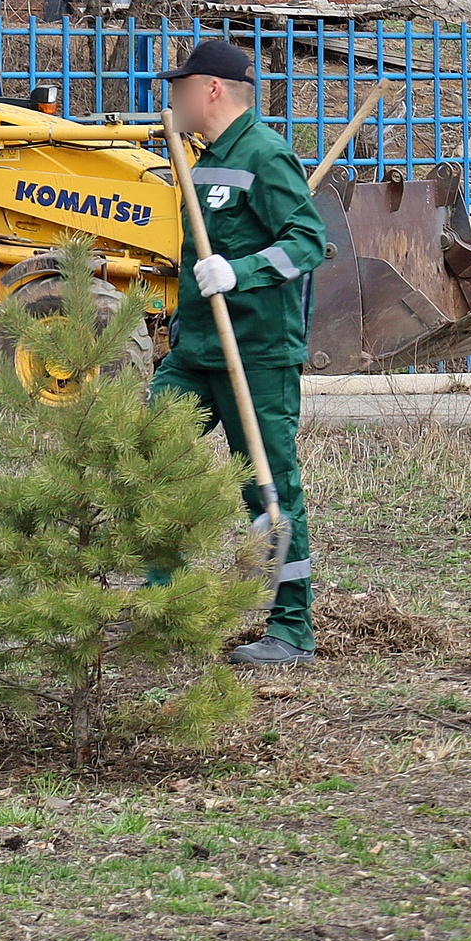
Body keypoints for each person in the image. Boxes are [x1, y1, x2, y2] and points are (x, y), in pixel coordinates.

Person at [156, 39, 328, 666]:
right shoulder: (199, 161)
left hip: (254, 352)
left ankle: (291, 628)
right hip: (195, 350)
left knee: (269, 487)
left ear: (212, 91)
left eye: (181, 89)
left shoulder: (265, 154)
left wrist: (242, 271)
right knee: (148, 458)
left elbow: (309, 241)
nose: (172, 100)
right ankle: (161, 606)